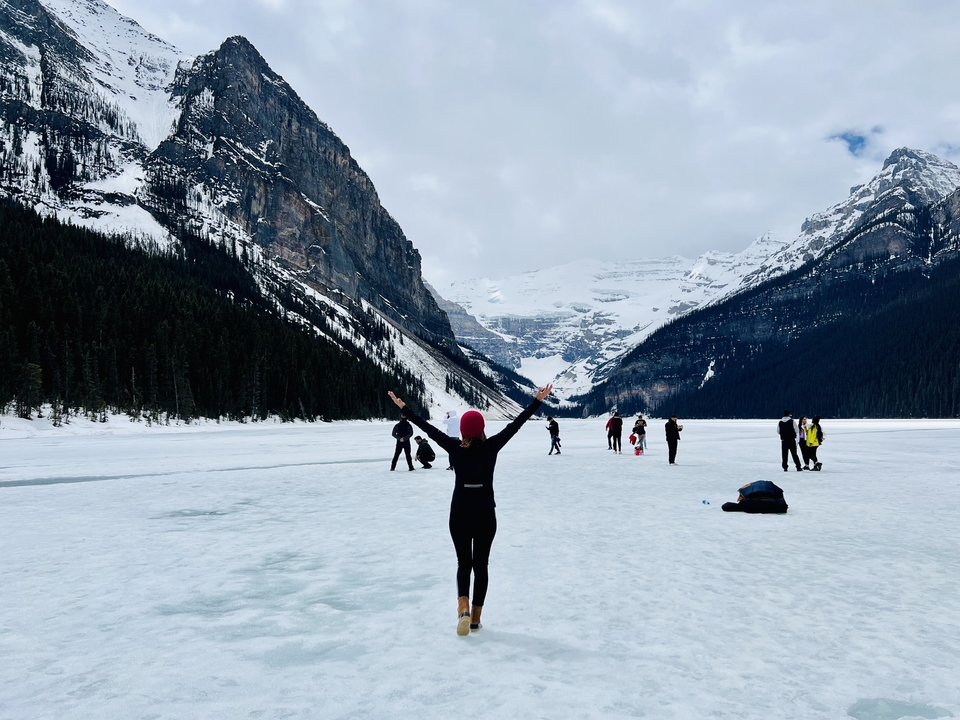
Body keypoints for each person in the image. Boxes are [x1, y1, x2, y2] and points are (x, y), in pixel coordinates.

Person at [388, 383, 553, 636]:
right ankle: (475, 618)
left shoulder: (454, 447)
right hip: (485, 514)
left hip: (460, 514)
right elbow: (516, 425)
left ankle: (462, 608)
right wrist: (536, 402)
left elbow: (427, 428)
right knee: (481, 566)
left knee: (463, 563)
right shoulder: (491, 446)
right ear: (482, 429)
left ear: (463, 430)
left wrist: (404, 408)